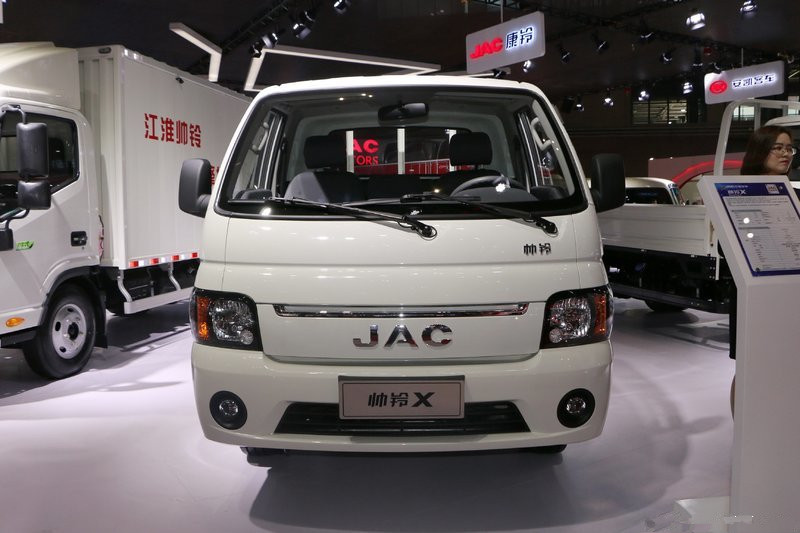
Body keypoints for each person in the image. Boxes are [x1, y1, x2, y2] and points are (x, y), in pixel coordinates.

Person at [729, 125, 796, 414]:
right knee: (748, 365)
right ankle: (742, 428)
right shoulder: (739, 193)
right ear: (760, 151)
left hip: (788, 292)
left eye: (789, 148)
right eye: (777, 147)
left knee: (783, 362)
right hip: (753, 292)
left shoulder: (793, 194)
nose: (785, 154)